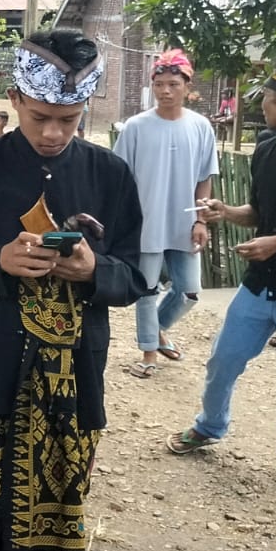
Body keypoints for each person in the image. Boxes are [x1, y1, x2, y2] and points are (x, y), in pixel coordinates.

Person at [0, 29, 146, 551]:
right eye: (40, 116)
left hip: (70, 381)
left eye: (68, 120)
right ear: (15, 99)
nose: (53, 133)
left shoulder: (111, 175)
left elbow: (137, 276)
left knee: (52, 533)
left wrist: (94, 271)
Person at [169, 65, 276, 496]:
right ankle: (209, 426)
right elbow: (258, 213)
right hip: (259, 284)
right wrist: (226, 211)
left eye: (265, 97)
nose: (261, 104)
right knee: (223, 360)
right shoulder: (266, 149)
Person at [112, 49, 218, 380]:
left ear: (187, 86)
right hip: (146, 223)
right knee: (147, 290)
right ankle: (148, 353)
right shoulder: (136, 127)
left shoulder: (201, 127)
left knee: (189, 291)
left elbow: (204, 178)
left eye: (173, 84)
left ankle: (157, 330)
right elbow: (120, 178)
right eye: (159, 84)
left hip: (185, 223)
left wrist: (200, 220)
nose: (166, 91)